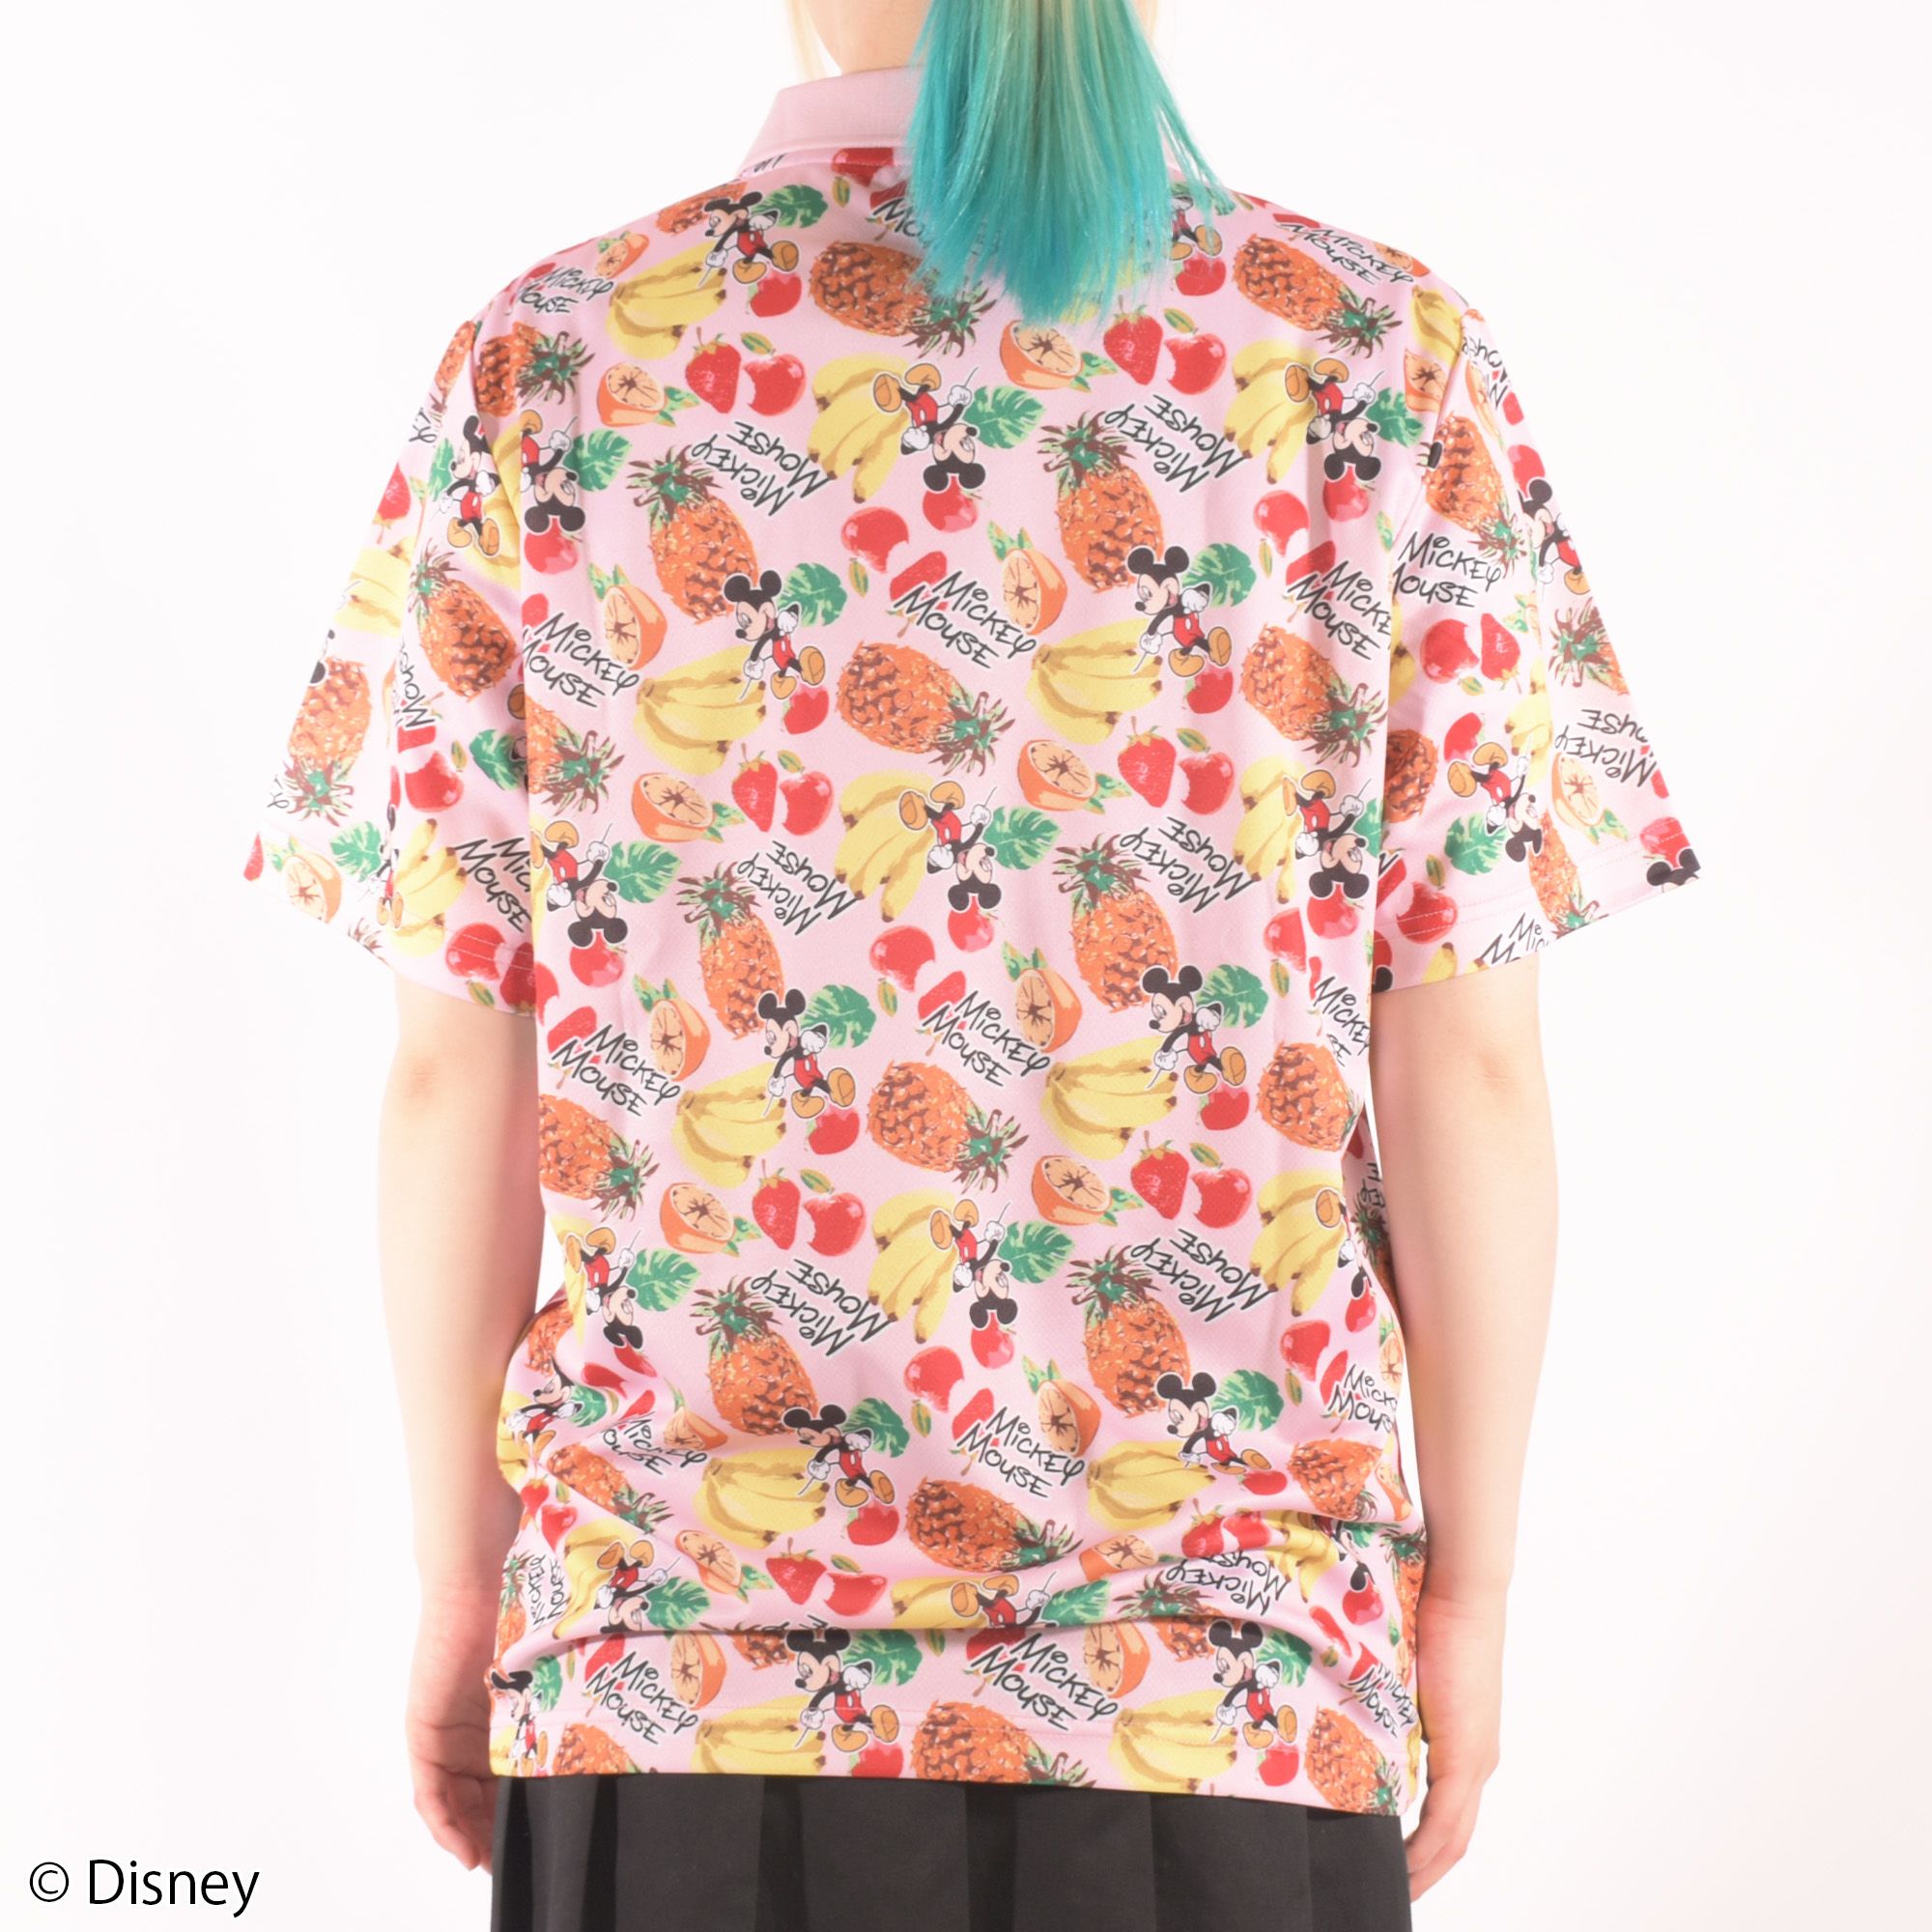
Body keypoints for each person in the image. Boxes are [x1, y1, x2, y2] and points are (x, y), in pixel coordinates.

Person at [238, 2, 1704, 1926]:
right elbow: (1472, 1069)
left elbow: (459, 1069)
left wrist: (460, 1582)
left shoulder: (556, 360)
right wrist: (1470, 1602)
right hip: (1224, 1685)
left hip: (675, 1678)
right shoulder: (1372, 355)